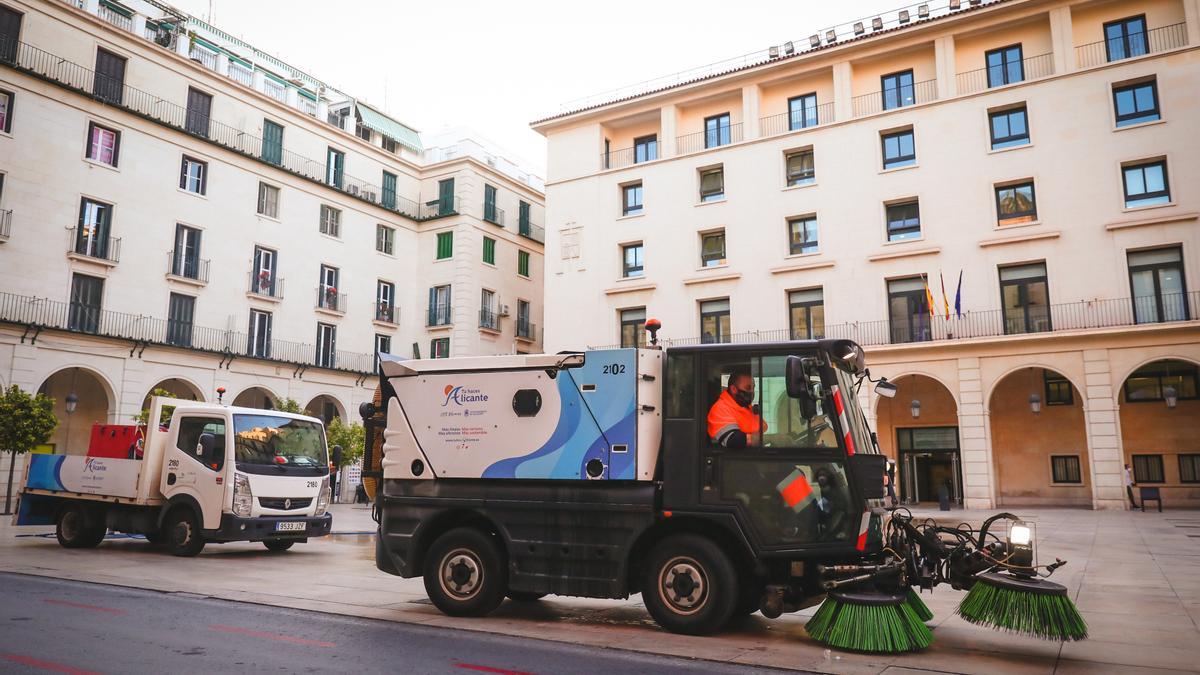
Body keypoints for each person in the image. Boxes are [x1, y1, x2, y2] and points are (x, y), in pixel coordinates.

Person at [707, 369, 766, 448]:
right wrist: (770, 438)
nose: (752, 392)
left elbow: (762, 427)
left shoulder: (747, 407)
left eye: (753, 388)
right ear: (733, 389)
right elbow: (734, 440)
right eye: (748, 388)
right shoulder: (720, 409)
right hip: (733, 458)